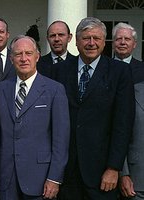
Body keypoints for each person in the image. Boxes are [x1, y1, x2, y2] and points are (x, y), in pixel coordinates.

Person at [53, 17, 135, 200]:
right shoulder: (59, 70)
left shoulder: (119, 72)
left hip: (102, 172)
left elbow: (123, 122)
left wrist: (114, 168)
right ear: (76, 41)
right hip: (67, 171)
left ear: (104, 42)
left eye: (96, 38)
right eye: (86, 38)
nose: (91, 43)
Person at [0, 35, 70, 200]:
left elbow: (61, 139)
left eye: (28, 53)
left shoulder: (54, 90)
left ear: (37, 56)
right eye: (18, 54)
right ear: (11, 59)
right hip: (7, 176)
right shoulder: (0, 89)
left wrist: (54, 178)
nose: (23, 59)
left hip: (40, 177)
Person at [113, 23, 144, 200]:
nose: (123, 42)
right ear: (112, 42)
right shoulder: (104, 67)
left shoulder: (142, 71)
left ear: (134, 44)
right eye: (119, 39)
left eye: (127, 39)